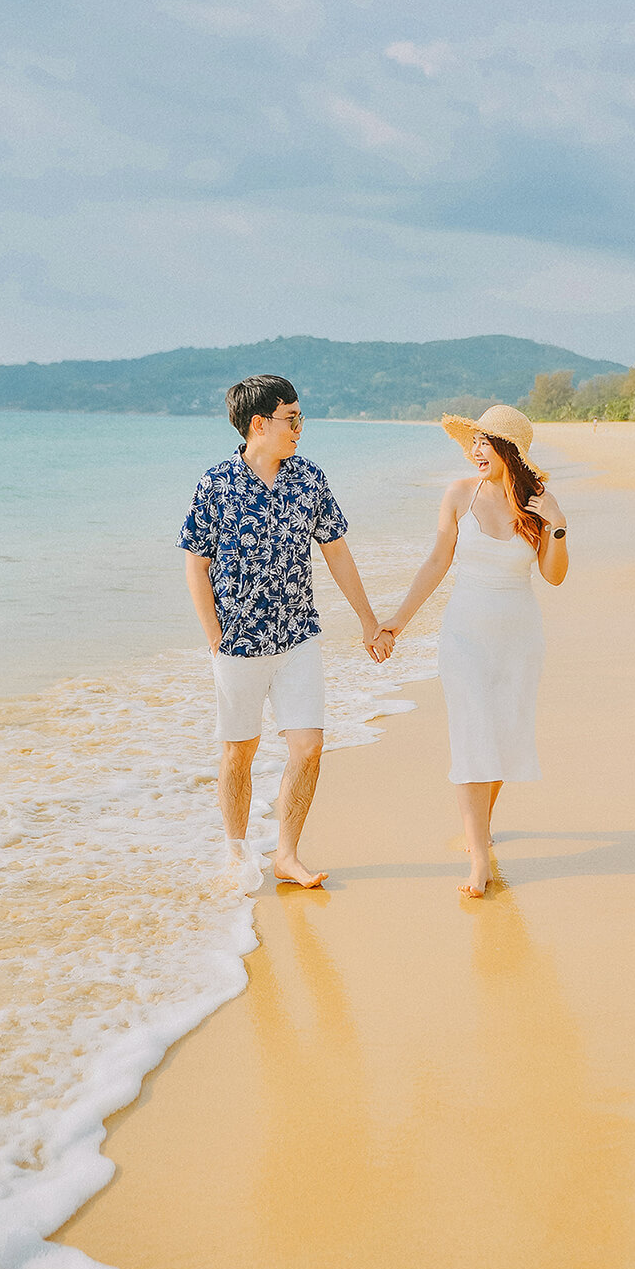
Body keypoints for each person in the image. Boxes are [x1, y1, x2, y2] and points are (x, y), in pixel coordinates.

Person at [179, 374, 390, 889]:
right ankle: (235, 851)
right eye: (291, 418)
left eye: (300, 418)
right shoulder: (216, 483)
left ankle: (287, 854)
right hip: (238, 643)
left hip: (298, 638)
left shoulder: (309, 478)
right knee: (239, 750)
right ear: (259, 423)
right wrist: (213, 633)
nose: (299, 428)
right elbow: (195, 562)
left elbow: (335, 549)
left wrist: (368, 620)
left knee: (309, 747)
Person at [376, 405, 568, 898]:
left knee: (503, 737)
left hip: (519, 636)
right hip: (464, 635)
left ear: (511, 452)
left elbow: (554, 575)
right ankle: (479, 857)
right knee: (471, 733)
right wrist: (398, 620)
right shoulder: (459, 495)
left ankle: (477, 827)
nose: (476, 451)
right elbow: (438, 560)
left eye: (487, 443)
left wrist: (558, 525)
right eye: (475, 442)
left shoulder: (538, 504)